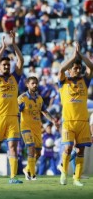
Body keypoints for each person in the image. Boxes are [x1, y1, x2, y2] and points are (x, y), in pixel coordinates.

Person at [0, 31, 24, 184]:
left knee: (13, 147)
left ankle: (13, 177)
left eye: (8, 65)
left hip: (12, 118)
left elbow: (21, 61)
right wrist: (3, 48)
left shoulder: (14, 78)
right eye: (4, 65)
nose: (6, 67)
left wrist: (14, 45)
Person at [58, 42, 93, 187]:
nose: (77, 70)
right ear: (70, 70)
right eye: (75, 68)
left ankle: (76, 178)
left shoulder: (84, 81)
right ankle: (63, 172)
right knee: (67, 148)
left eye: (79, 68)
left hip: (83, 122)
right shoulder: (63, 81)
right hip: (68, 122)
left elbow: (91, 67)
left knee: (81, 150)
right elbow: (61, 69)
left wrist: (81, 55)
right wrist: (73, 56)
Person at [18, 76, 58, 180]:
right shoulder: (22, 98)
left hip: (37, 128)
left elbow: (44, 112)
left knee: (38, 152)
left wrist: (53, 120)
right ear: (27, 85)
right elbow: (16, 111)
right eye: (32, 83)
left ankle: (27, 169)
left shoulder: (39, 98)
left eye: (36, 83)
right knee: (31, 148)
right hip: (26, 127)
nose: (35, 85)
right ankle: (31, 174)